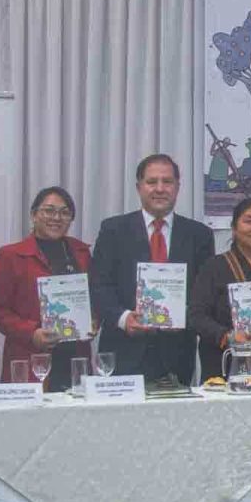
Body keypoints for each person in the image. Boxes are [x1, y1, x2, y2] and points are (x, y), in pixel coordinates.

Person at [90, 154, 216, 385]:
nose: (160, 189)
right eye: (151, 182)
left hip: (177, 355)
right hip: (122, 352)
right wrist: (124, 318)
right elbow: (99, 285)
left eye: (167, 182)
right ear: (139, 187)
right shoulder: (113, 230)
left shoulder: (200, 235)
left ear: (177, 187)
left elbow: (205, 292)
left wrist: (183, 316)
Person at [0, 187, 94, 392]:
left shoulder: (81, 252)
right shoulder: (11, 255)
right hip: (31, 359)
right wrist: (31, 332)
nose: (56, 218)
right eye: (49, 210)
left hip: (75, 357)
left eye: (64, 213)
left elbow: (93, 299)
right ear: (34, 215)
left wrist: (94, 321)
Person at [190, 199, 251, 381]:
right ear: (234, 228)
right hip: (225, 366)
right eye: (249, 221)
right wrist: (227, 336)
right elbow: (196, 316)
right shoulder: (214, 267)